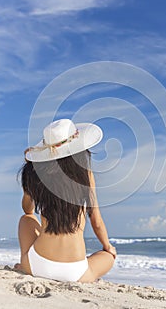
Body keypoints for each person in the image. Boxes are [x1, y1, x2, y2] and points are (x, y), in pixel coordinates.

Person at [16, 118, 116, 282]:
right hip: (76, 272)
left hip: (36, 265)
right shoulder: (85, 176)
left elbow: (28, 210)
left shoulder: (37, 176)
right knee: (108, 256)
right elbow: (96, 221)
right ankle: (106, 253)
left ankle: (24, 265)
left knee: (25, 220)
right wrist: (107, 247)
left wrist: (31, 175)